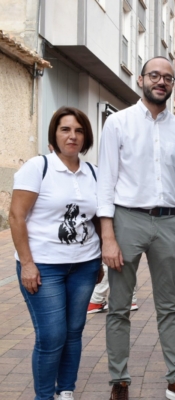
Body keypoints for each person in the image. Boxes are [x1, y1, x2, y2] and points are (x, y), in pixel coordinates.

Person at [97, 56, 175, 400]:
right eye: (155, 75)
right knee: (118, 306)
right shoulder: (118, 123)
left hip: (169, 223)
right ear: (141, 79)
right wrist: (108, 235)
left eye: (168, 78)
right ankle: (120, 380)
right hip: (127, 218)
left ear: (173, 85)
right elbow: (106, 182)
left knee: (169, 305)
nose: (161, 82)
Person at [10, 106, 102, 400]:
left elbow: (97, 219)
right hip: (43, 267)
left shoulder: (93, 173)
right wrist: (27, 264)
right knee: (51, 336)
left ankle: (66, 390)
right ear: (55, 134)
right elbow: (16, 217)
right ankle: (44, 396)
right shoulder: (39, 167)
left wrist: (98, 258)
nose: (72, 136)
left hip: (84, 265)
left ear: (85, 136)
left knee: (74, 332)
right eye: (65, 129)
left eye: (78, 130)